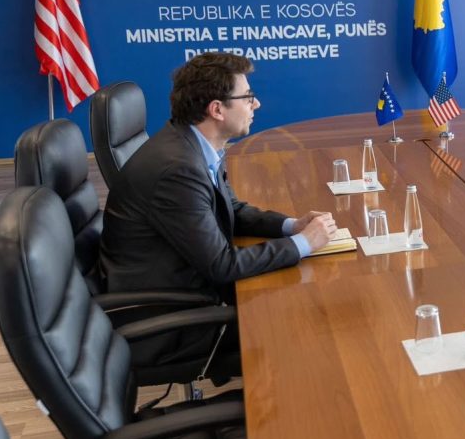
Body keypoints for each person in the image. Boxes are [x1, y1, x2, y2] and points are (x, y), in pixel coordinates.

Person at [101, 52, 337, 304]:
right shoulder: (178, 170)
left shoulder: (193, 143)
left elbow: (230, 209)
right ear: (217, 110)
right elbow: (221, 265)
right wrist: (304, 243)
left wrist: (291, 226)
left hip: (185, 273)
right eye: (248, 97)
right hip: (165, 301)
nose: (256, 104)